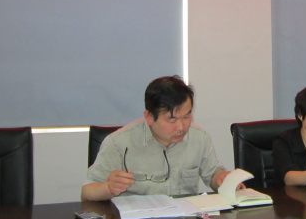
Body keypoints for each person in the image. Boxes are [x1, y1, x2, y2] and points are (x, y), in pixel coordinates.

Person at [82, 75, 230, 201]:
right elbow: (87, 192)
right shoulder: (118, 143)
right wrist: (108, 188)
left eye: (186, 116)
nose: (181, 127)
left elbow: (213, 174)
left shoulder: (199, 137)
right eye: (172, 120)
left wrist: (222, 179)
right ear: (149, 117)